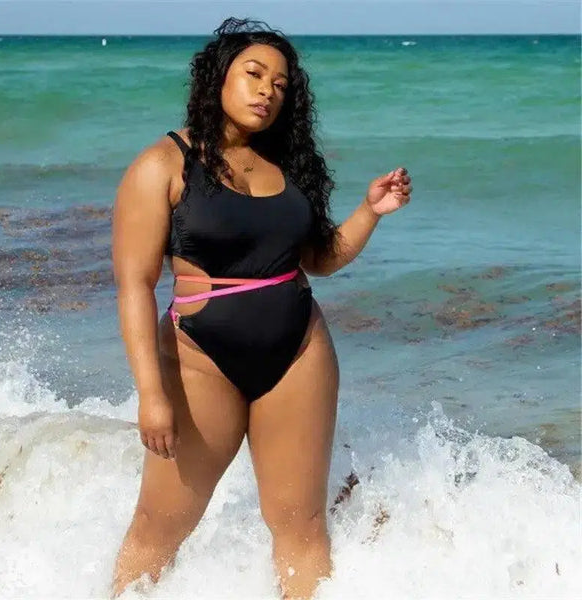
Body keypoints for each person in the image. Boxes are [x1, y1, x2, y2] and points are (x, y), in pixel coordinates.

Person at [110, 16, 411, 600]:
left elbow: (319, 259)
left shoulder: (288, 166)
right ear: (219, 77)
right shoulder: (164, 164)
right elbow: (134, 287)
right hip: (199, 359)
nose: (267, 90)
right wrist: (151, 394)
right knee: (160, 526)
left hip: (299, 352)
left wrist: (370, 212)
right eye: (254, 74)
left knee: (301, 526)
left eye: (280, 84)